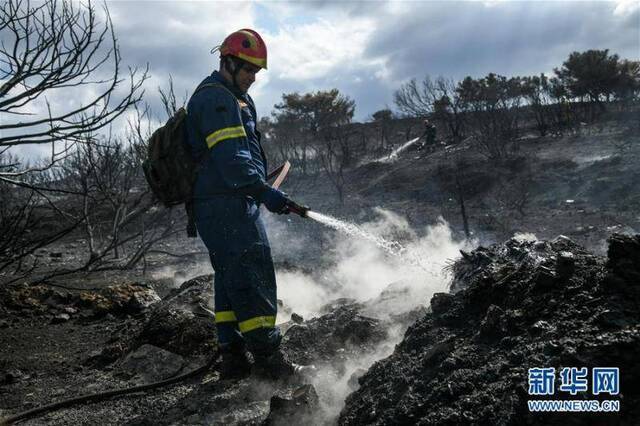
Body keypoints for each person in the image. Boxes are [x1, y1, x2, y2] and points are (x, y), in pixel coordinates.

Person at [185, 29, 309, 380]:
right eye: (248, 70)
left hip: (227, 203)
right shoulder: (217, 100)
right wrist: (265, 192)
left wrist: (258, 189)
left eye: (256, 72)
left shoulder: (231, 97)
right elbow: (233, 160)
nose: (253, 79)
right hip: (227, 206)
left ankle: (234, 358)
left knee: (230, 279)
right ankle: (270, 362)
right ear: (228, 63)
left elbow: (239, 159)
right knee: (252, 276)